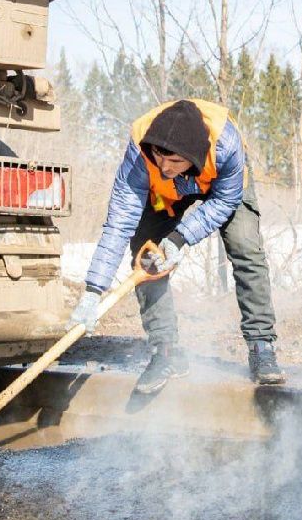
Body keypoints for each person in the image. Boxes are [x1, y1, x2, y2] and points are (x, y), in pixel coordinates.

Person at [69, 99, 286, 393]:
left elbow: (224, 201)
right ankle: (166, 350)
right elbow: (119, 222)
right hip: (165, 196)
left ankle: (261, 346)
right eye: (159, 157)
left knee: (246, 249)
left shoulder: (227, 145)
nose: (164, 166)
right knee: (147, 257)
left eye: (173, 161)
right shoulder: (141, 148)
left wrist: (179, 238)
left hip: (224, 191)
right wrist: (93, 291)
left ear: (193, 156)